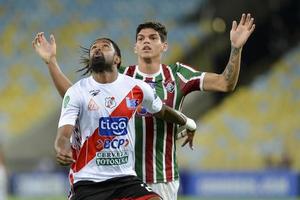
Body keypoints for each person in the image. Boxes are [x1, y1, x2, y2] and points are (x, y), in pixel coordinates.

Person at [32, 13, 255, 199]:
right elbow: (79, 94)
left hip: (162, 176)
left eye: (153, 37)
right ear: (135, 47)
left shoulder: (178, 75)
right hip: (122, 175)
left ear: (164, 45)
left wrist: (236, 49)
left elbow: (226, 83)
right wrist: (51, 62)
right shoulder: (122, 78)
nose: (146, 41)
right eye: (141, 38)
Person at [34, 36, 196, 200]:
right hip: (88, 182)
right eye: (94, 48)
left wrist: (187, 122)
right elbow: (63, 135)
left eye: (105, 46)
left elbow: (161, 110)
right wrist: (62, 148)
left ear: (117, 59)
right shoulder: (77, 91)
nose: (97, 48)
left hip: (125, 180)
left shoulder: (137, 87)